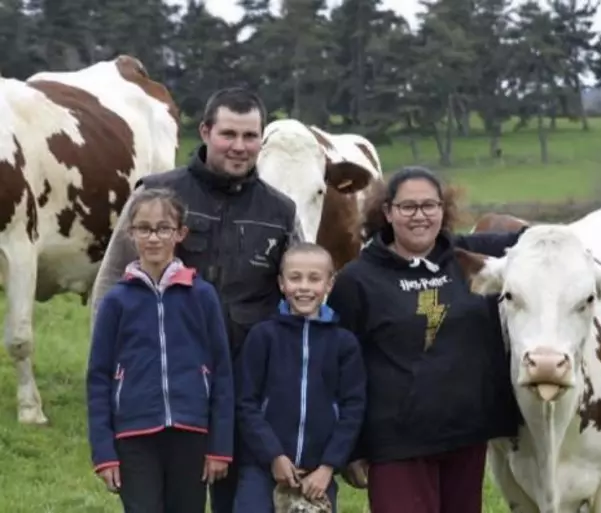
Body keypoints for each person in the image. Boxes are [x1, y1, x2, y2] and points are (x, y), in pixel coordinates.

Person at [89, 87, 304, 513]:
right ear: (205, 131)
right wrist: (113, 373)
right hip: (169, 382)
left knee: (236, 497)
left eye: (250, 136)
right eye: (228, 134)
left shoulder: (281, 211)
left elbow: (301, 291)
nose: (240, 147)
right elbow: (112, 278)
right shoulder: (156, 195)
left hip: (245, 383)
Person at [325, 166, 528, 513]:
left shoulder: (469, 261)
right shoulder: (357, 280)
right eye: (408, 207)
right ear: (387, 212)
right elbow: (338, 367)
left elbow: (535, 242)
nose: (420, 215)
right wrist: (352, 447)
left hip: (465, 438)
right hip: (395, 444)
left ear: (443, 210)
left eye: (429, 206)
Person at [86, 187, 234, 513]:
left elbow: (222, 372)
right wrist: (104, 452)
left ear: (180, 233)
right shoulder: (116, 301)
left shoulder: (202, 296)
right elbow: (97, 378)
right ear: (130, 233)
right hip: (133, 436)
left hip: (192, 433)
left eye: (163, 228)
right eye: (144, 228)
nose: (154, 238)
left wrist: (219, 447)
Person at [233, 243, 366, 512]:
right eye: (295, 278)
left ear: (329, 284)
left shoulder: (344, 343)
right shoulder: (263, 336)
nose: (304, 287)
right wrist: (273, 456)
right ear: (282, 283)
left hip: (318, 473)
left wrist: (329, 466)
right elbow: (246, 402)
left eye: (314, 279)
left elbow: (353, 408)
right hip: (263, 469)